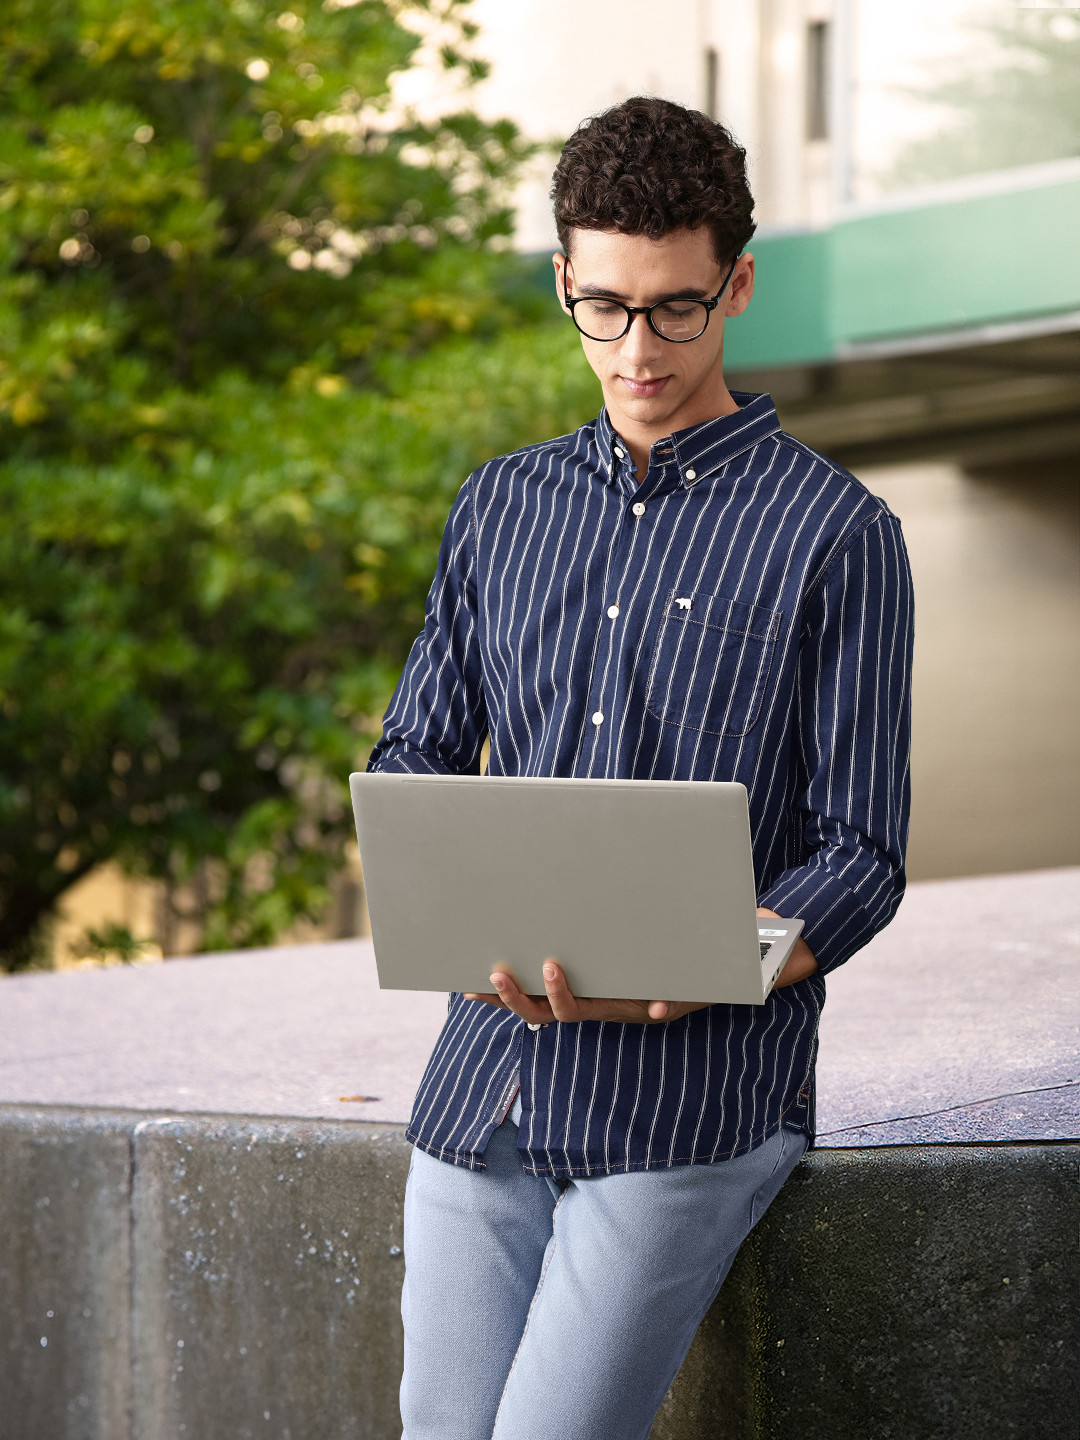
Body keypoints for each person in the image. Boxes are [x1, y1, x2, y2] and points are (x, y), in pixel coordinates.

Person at [367, 95, 914, 1440]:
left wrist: (721, 953)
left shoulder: (841, 536)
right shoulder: (499, 508)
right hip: (482, 1082)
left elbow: (861, 851)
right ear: (564, 282)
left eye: (675, 307)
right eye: (603, 307)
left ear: (736, 285)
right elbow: (417, 753)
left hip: (695, 1107)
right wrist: (458, 906)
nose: (637, 347)